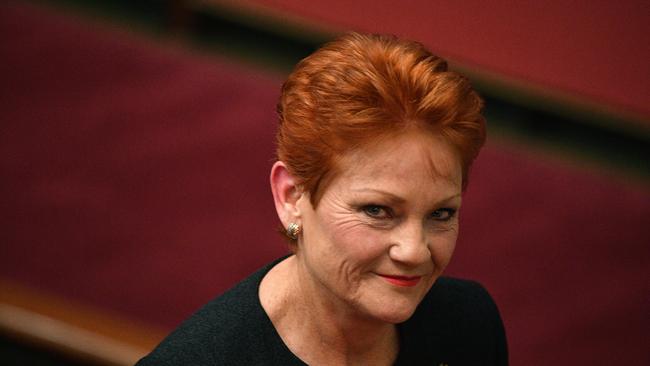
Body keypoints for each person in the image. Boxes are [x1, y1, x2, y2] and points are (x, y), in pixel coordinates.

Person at [137, 32, 507, 365]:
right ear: (291, 196)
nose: (414, 251)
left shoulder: (469, 325)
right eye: (377, 210)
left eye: (441, 213)